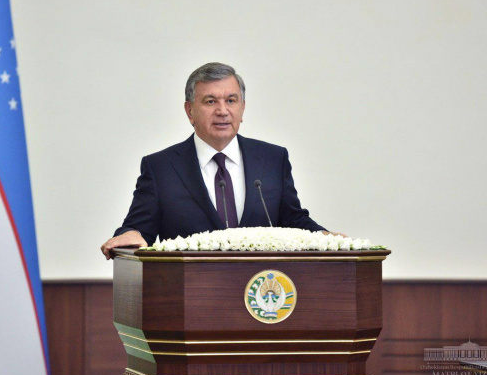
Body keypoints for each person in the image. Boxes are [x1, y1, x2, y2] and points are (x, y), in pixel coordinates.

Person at [101, 63, 339, 259]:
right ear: (189, 111)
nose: (223, 111)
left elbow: (292, 220)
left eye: (231, 101)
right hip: (191, 292)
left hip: (262, 289)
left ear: (242, 108)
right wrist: (131, 234)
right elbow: (139, 227)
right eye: (210, 101)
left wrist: (327, 238)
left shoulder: (273, 159)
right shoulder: (161, 168)